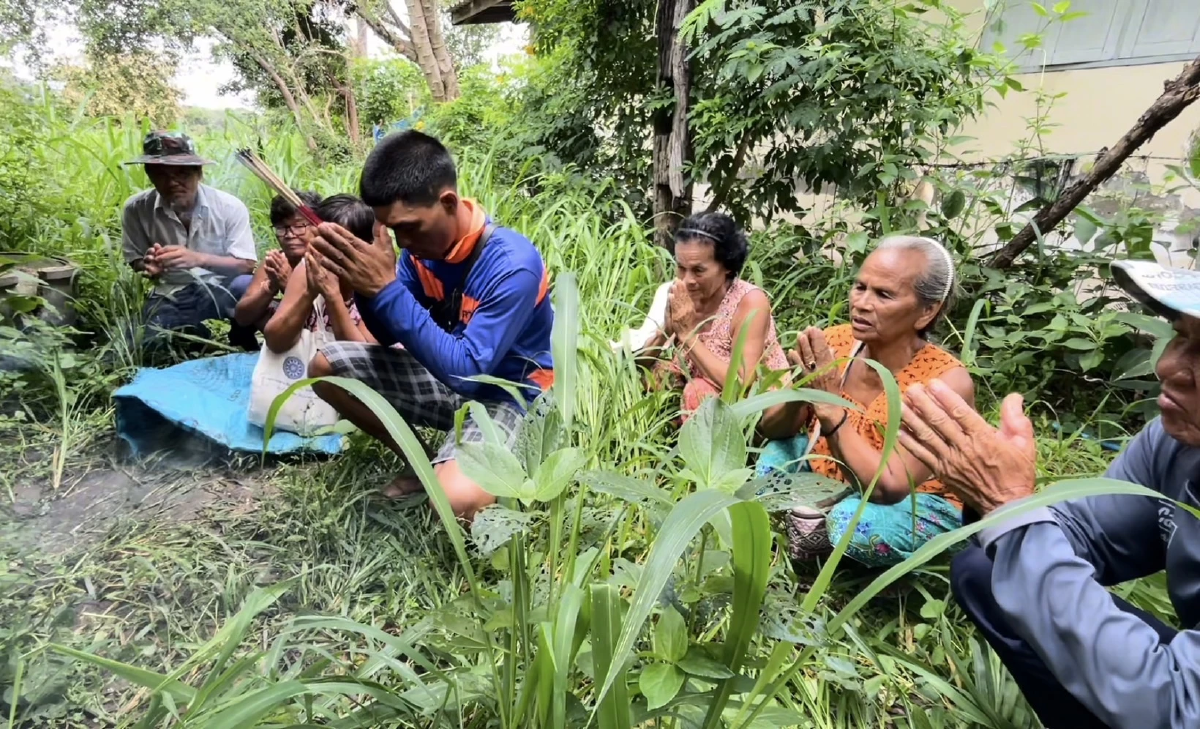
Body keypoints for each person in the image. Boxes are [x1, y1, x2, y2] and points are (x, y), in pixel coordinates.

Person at [903, 260, 1200, 729]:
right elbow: (1090, 529)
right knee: (989, 566)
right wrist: (1000, 499)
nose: (1166, 366)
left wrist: (1009, 507)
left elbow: (1180, 708)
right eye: (1180, 336)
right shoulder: (1176, 442)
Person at [307, 131, 554, 521]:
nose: (403, 242)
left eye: (411, 227)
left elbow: (470, 373)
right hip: (448, 375)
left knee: (457, 501)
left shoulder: (512, 264)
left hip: (510, 395)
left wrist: (385, 289)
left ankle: (465, 471)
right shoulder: (418, 253)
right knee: (325, 368)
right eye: (392, 230)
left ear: (449, 202)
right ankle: (421, 464)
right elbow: (387, 334)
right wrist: (365, 283)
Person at [758, 236, 975, 567]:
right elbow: (771, 430)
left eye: (884, 294)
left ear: (926, 312)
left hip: (916, 500)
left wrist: (830, 408)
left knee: (852, 523)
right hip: (836, 472)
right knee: (774, 461)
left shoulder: (944, 383)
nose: (861, 302)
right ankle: (817, 528)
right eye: (860, 287)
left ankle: (840, 541)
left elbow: (889, 487)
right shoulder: (835, 343)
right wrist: (800, 392)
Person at [642, 213, 795, 436]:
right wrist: (667, 328)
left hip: (756, 411)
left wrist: (686, 334)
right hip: (696, 386)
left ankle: (703, 466)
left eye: (698, 270)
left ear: (727, 267)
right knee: (654, 376)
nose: (686, 280)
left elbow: (741, 383)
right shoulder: (680, 294)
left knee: (699, 392)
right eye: (681, 268)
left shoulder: (750, 303)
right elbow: (642, 362)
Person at [121, 130, 258, 350]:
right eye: (162, 174)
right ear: (149, 175)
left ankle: (243, 339)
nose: (173, 182)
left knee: (246, 286)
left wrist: (198, 259)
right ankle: (191, 331)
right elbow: (135, 260)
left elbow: (246, 264)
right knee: (145, 344)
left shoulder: (229, 207)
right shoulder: (136, 209)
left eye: (182, 173)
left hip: (221, 286)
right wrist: (148, 265)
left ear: (199, 173)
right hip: (172, 292)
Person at [262, 194, 378, 351]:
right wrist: (309, 292)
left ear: (364, 246)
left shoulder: (378, 281)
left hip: (365, 371)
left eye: (336, 243)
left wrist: (331, 294)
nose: (324, 248)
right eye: (319, 239)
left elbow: (360, 357)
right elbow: (276, 343)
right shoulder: (309, 266)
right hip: (313, 366)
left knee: (322, 363)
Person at [233, 191, 322, 332]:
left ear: (317, 226)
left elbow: (321, 318)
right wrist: (270, 287)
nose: (290, 235)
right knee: (245, 291)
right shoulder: (278, 260)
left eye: (299, 227)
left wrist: (288, 285)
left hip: (325, 330)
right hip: (288, 334)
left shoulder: (326, 260)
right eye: (281, 228)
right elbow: (242, 318)